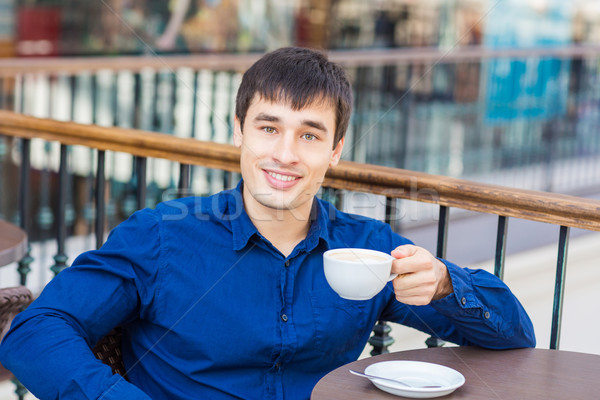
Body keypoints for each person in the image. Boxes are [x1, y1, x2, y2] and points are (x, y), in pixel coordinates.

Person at [0, 47, 535, 400]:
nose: (284, 154)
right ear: (240, 132)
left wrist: (445, 283)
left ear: (335, 150)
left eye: (309, 134)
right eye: (268, 127)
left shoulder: (366, 248)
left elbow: (515, 335)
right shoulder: (163, 236)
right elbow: (35, 331)